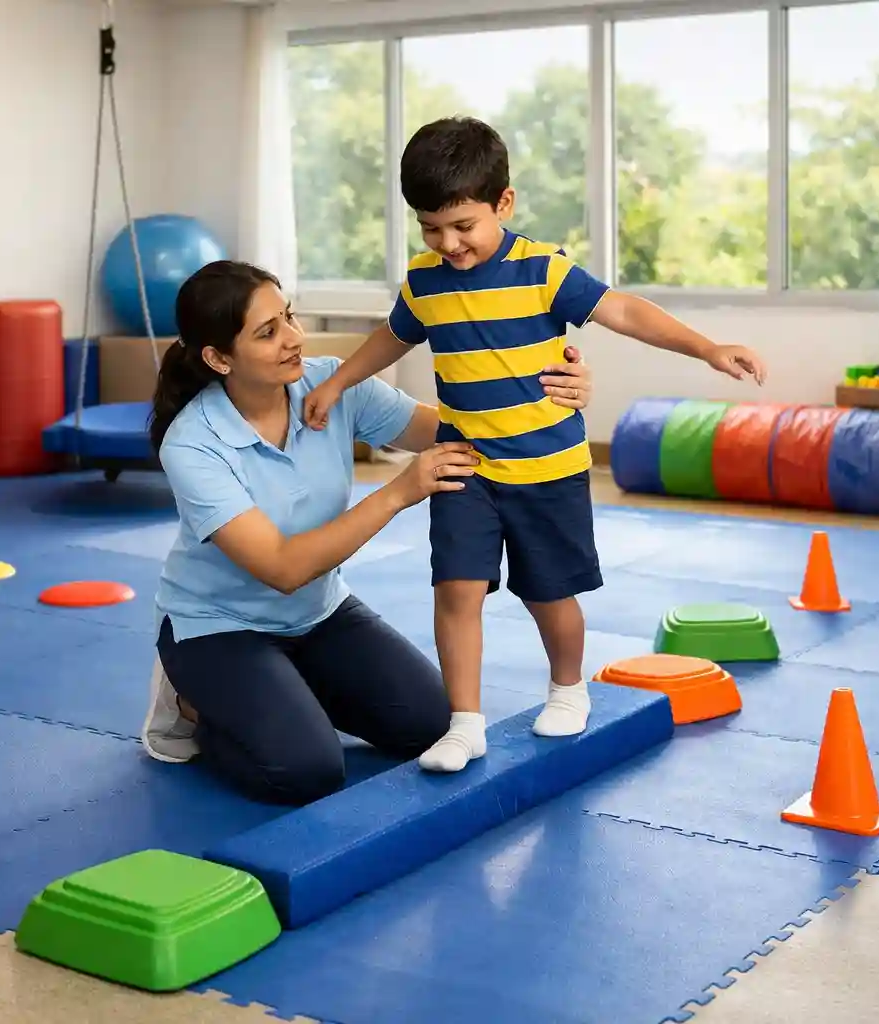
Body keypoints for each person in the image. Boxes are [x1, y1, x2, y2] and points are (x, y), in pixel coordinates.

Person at [303, 116, 768, 774]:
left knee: (548, 592)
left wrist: (706, 347)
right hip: (467, 466)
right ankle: (465, 722)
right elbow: (393, 335)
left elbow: (626, 311)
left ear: (504, 204)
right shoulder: (426, 281)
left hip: (547, 468)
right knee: (455, 589)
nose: (449, 244)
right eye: (431, 228)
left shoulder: (542, 269)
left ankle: (568, 686)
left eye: (463, 226)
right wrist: (342, 383)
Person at [139, 259, 596, 806]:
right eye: (268, 332)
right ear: (218, 358)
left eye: (288, 317)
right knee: (306, 770)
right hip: (219, 627)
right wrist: (400, 491)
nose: (293, 338)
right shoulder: (192, 443)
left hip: (320, 613)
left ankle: (286, 689)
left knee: (433, 723)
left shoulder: (332, 386)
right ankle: (189, 705)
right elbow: (282, 568)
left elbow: (458, 430)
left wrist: (552, 393)